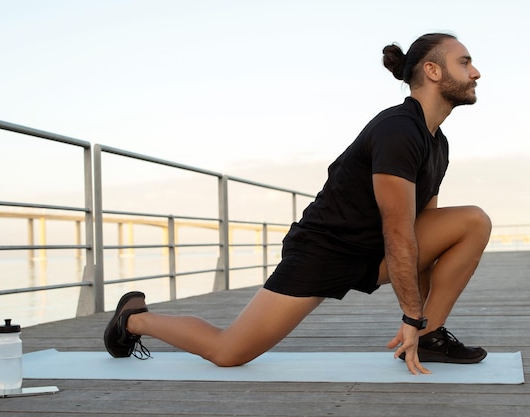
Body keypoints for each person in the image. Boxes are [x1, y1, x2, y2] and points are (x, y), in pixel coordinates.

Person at [104, 33, 491, 375]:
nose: (475, 73)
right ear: (433, 71)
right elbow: (397, 229)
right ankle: (135, 319)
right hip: (324, 251)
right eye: (465, 62)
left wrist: (419, 321)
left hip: (372, 252)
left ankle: (429, 336)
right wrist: (410, 312)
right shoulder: (398, 129)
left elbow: (423, 235)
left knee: (473, 221)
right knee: (229, 352)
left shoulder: (437, 142)